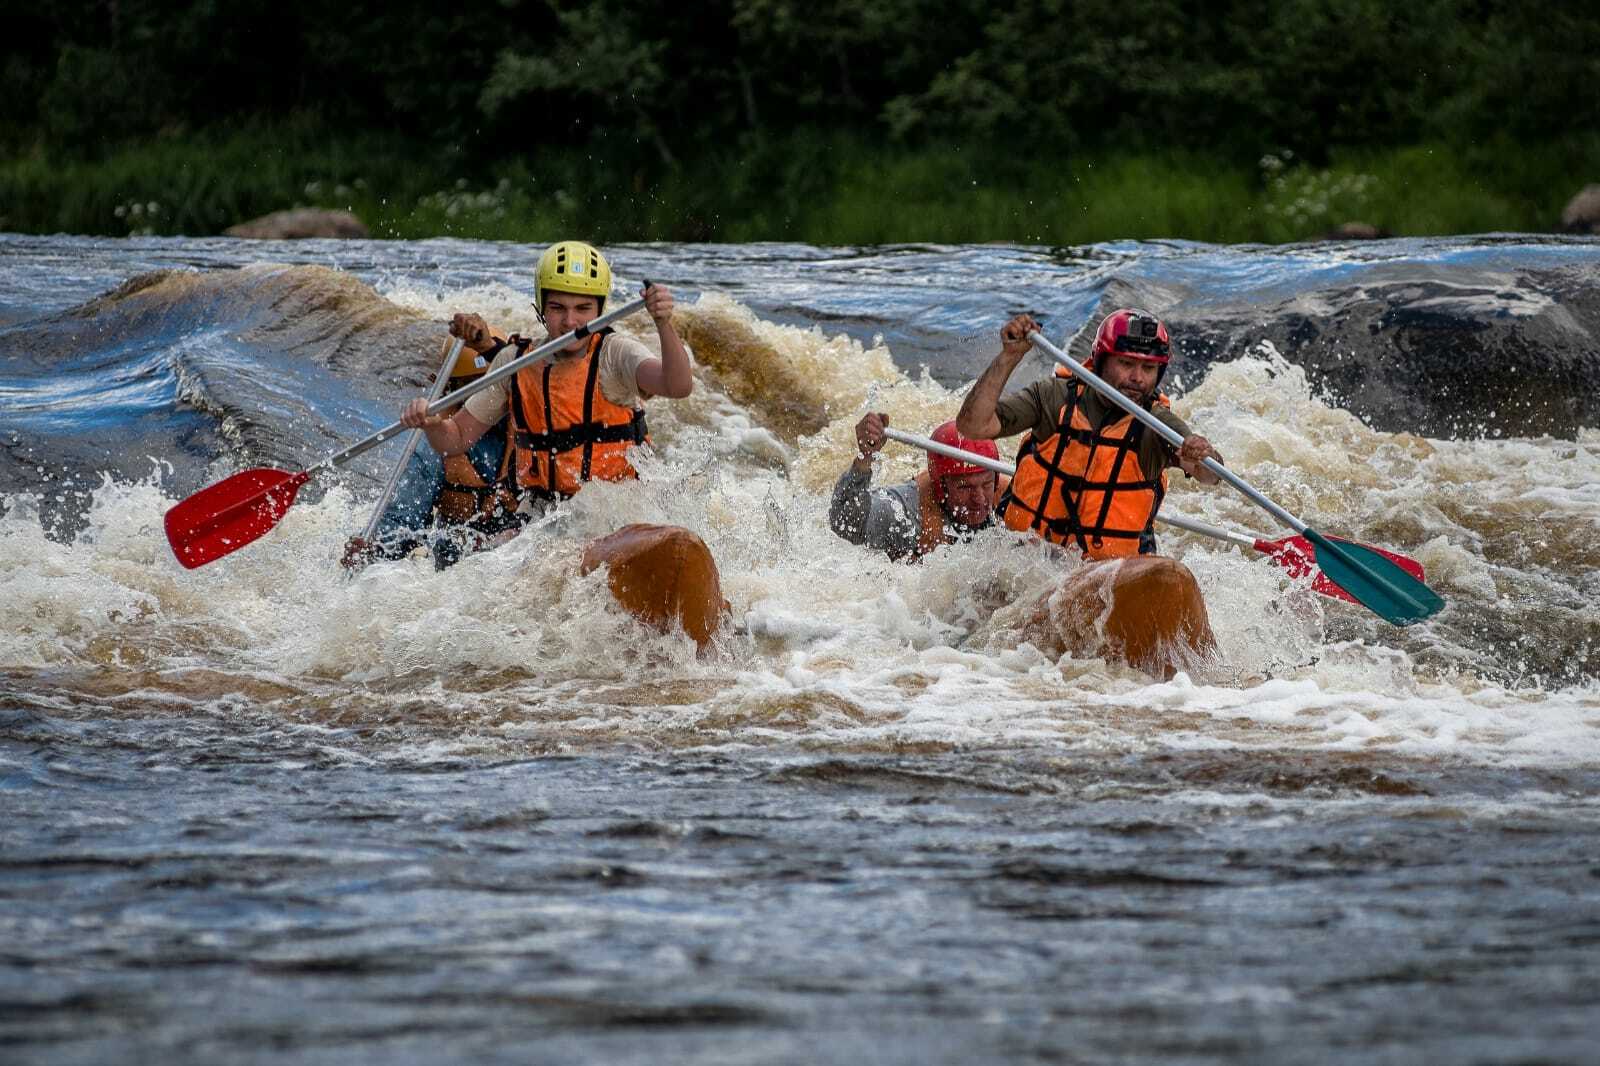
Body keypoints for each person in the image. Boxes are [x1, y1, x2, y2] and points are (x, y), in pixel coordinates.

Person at [398, 240, 691, 535]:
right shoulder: (513, 362)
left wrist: (663, 323)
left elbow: (677, 385)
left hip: (619, 510)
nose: (570, 321)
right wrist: (432, 423)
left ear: (601, 310)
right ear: (541, 307)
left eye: (583, 308)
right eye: (557, 308)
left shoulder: (616, 353)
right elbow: (456, 439)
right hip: (545, 515)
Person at [956, 307, 1223, 559]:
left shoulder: (1158, 426)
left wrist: (1204, 454)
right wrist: (1009, 357)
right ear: (1101, 361)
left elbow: (1209, 475)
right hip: (1027, 558)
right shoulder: (1053, 398)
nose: (1138, 378)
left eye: (1148, 368)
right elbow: (973, 426)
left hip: (1106, 573)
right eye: (1127, 363)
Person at [341, 340, 510, 571]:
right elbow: (401, 524)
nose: (485, 399)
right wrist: (372, 551)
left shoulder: (533, 430)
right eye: (472, 388)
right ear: (446, 389)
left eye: (491, 386)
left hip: (519, 549)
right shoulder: (433, 448)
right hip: (458, 568)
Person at [830, 415, 1002, 561]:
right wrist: (864, 460)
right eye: (965, 487)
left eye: (986, 484)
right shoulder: (906, 514)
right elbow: (845, 524)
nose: (979, 498)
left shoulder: (1010, 495)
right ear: (941, 486)